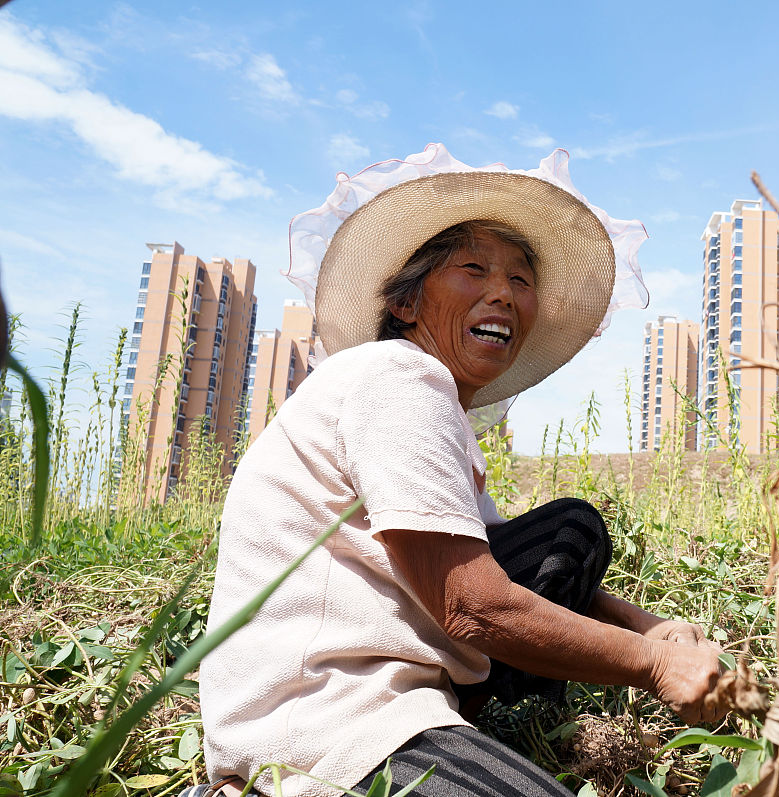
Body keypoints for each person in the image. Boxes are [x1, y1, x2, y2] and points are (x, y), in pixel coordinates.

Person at [194, 144, 725, 797]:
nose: (502, 292)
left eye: (521, 281)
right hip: (325, 725)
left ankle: (480, 734)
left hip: (404, 707)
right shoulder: (395, 375)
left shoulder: (433, 410)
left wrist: (652, 628)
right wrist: (654, 663)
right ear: (407, 305)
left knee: (570, 532)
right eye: (473, 269)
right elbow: (473, 603)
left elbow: (510, 572)